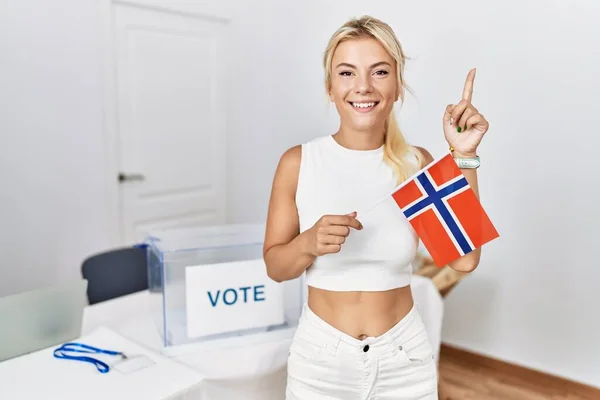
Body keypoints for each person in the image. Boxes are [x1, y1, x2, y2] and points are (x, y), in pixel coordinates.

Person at [263, 14, 489, 400]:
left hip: (405, 359)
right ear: (330, 87)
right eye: (347, 73)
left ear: (398, 85)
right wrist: (308, 243)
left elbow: (464, 260)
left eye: (380, 71)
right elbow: (275, 267)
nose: (363, 86)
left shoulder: (417, 162)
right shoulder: (298, 162)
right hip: (319, 361)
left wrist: (463, 156)